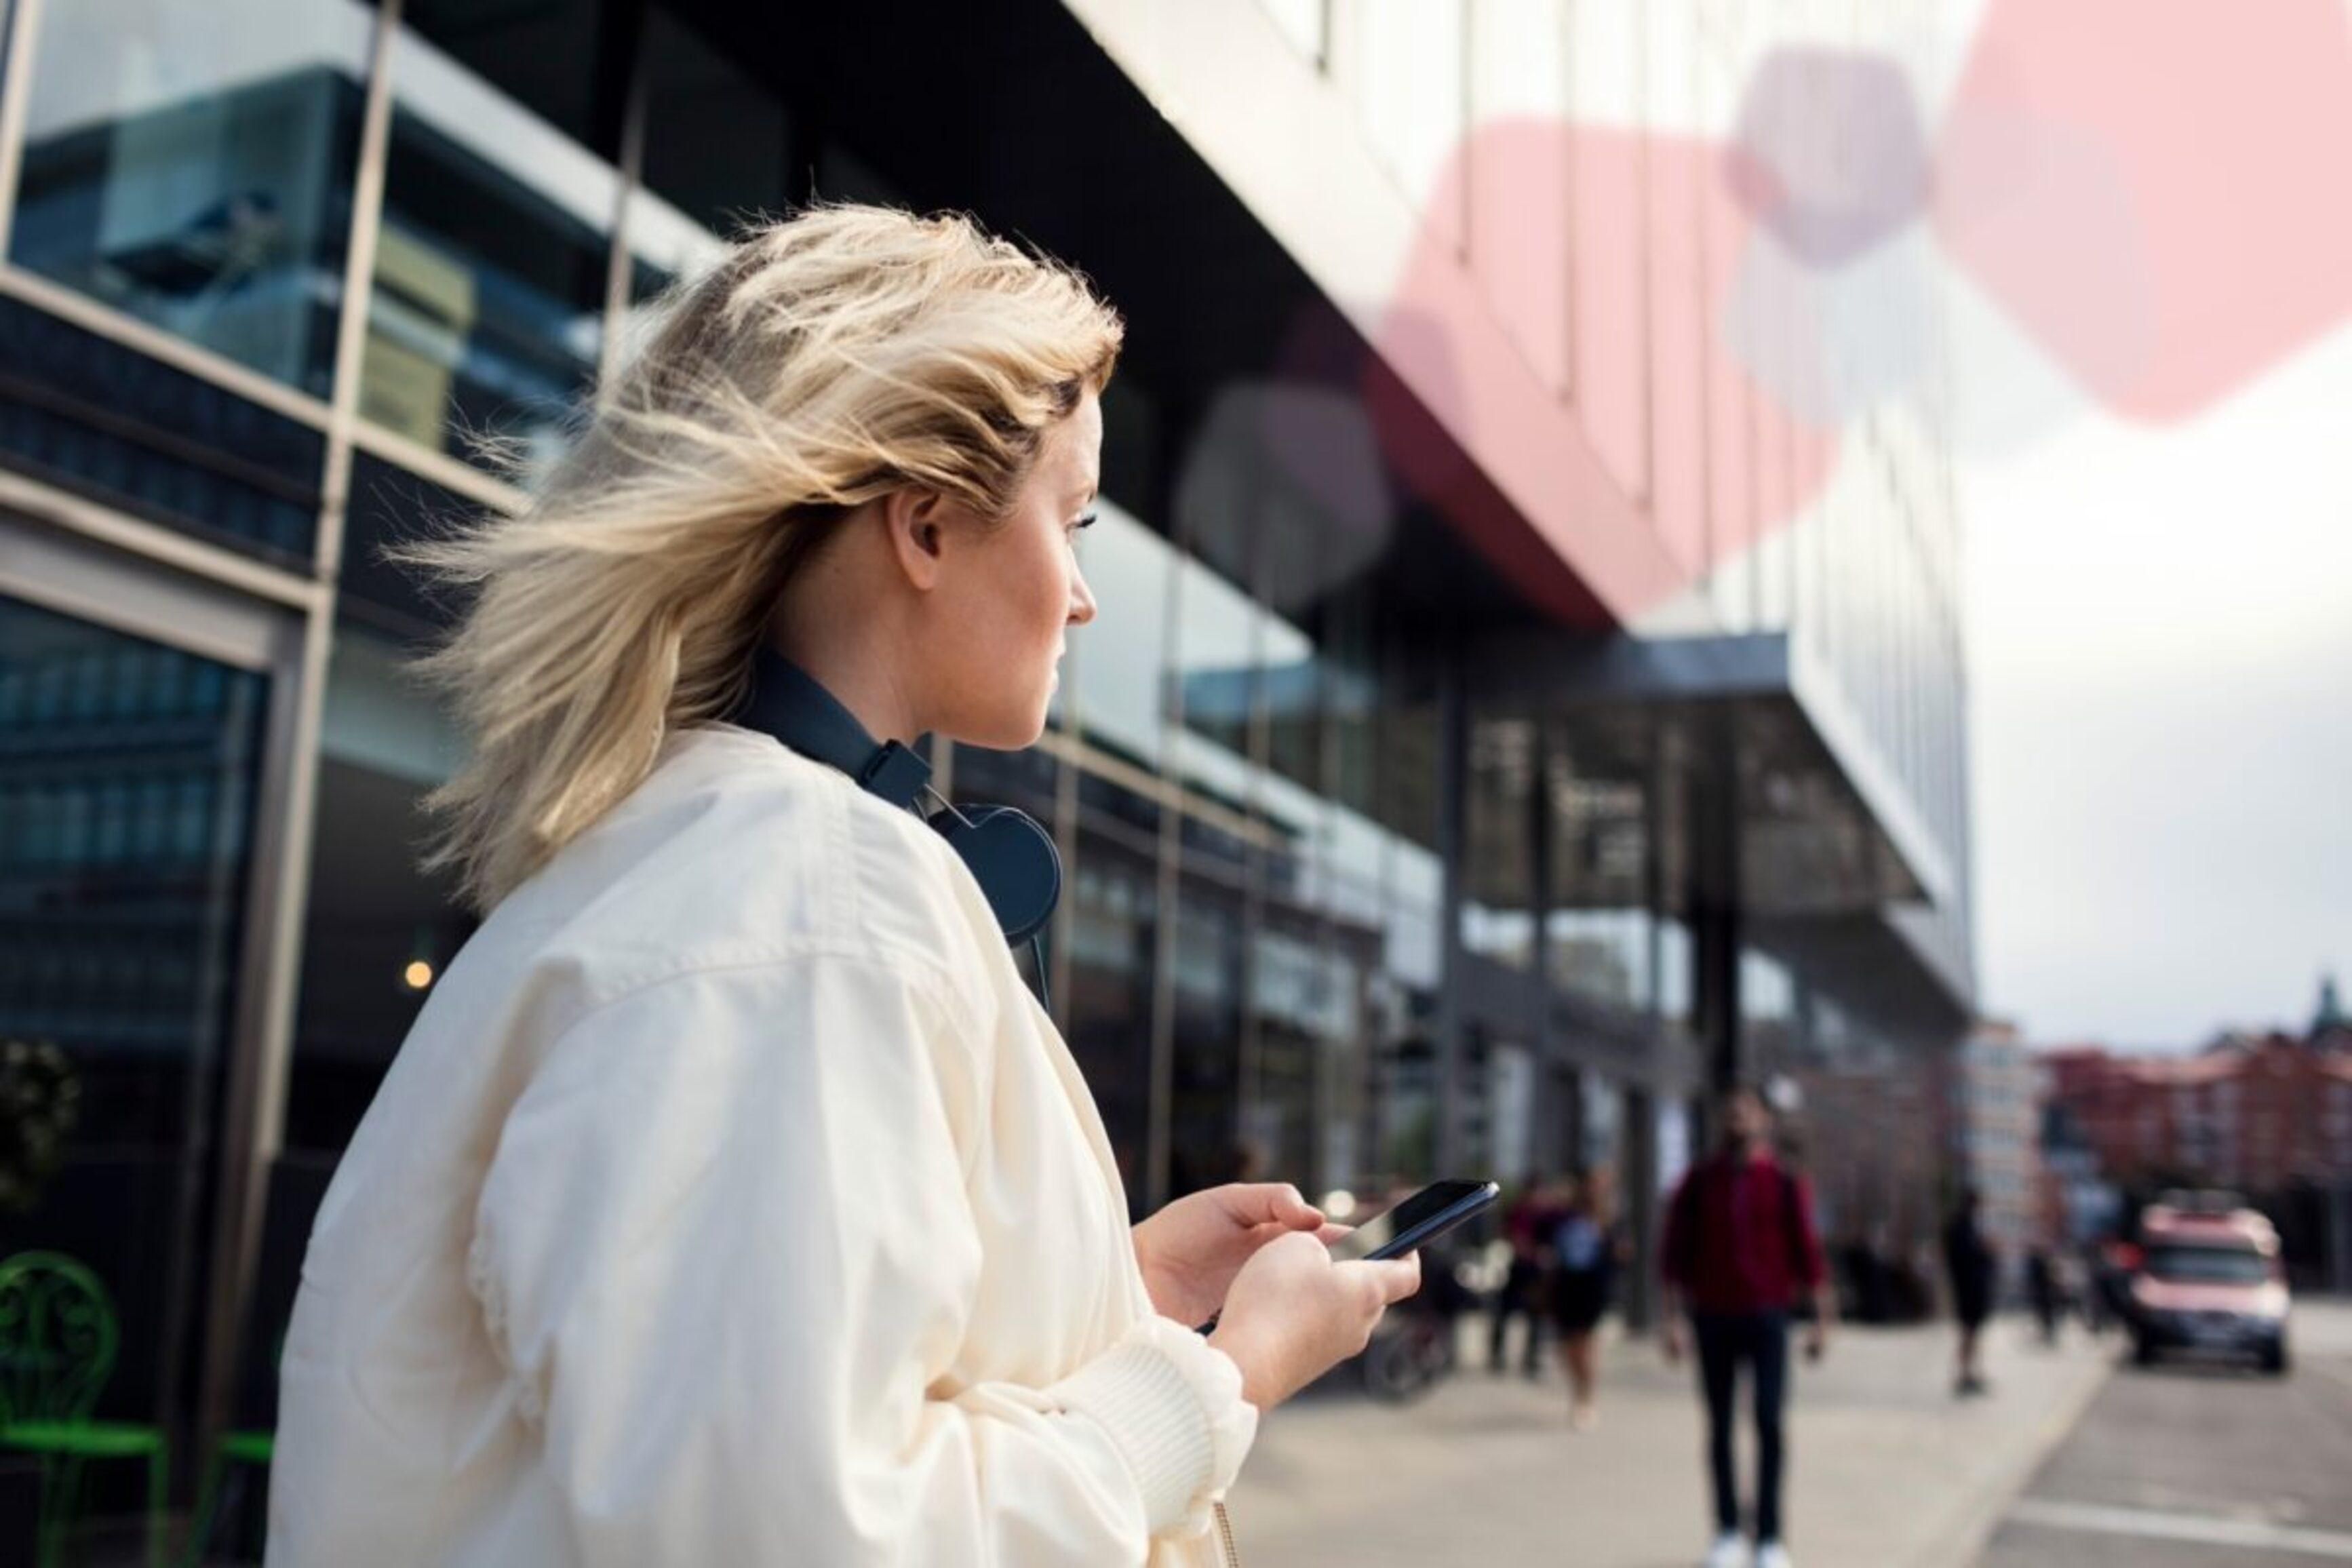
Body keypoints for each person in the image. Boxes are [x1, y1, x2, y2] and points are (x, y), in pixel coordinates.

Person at [268, 205, 1421, 1567]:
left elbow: (762, 1417)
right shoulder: (808, 905)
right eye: (1074, 520)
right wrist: (1221, 1380)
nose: (1087, 598)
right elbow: (797, 1531)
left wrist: (1123, 1298)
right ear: (925, 525)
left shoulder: (720, 871)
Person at [1661, 1084, 1832, 1568]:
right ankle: (1728, 1530)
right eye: (1730, 1111)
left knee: (1769, 1422)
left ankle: (1771, 1537)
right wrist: (1672, 1319)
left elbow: (1808, 1252)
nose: (1737, 1120)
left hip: (1768, 1316)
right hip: (1712, 1316)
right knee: (1719, 1427)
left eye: (1746, 1112)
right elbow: (1673, 1254)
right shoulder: (1698, 1181)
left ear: (1763, 1120)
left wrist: (1821, 1321)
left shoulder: (1782, 1180)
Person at [1550, 1164, 1624, 1430]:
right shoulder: (1565, 1217)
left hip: (1593, 1290)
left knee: (1586, 1345)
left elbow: (1622, 1254)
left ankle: (1585, 1399)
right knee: (1567, 1349)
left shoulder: (1608, 1220)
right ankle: (1579, 1388)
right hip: (1567, 1288)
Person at [1489, 1171, 1556, 1377]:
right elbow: (1508, 1234)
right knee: (1504, 1313)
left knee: (1535, 1317)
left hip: (1536, 1271)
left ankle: (1531, 1357)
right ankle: (1498, 1355)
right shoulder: (1518, 1211)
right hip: (1517, 1268)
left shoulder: (1547, 1215)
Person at [1943, 1188, 1997, 1394]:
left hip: (1970, 1289)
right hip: (1968, 1290)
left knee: (1972, 1334)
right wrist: (1985, 1251)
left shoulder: (1966, 1228)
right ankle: (1964, 1374)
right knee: (1968, 1333)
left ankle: (1971, 1373)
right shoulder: (1962, 1228)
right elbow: (1965, 1259)